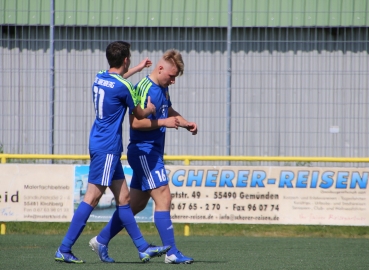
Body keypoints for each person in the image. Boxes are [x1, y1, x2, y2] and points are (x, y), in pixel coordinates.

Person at [54, 41, 170, 264]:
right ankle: (64, 248)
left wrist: (136, 68)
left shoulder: (100, 77)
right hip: (107, 147)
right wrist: (151, 109)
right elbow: (139, 113)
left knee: (124, 198)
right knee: (92, 197)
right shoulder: (123, 87)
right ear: (125, 59)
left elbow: (119, 81)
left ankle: (143, 248)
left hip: (100, 142)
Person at [91, 49, 197, 264]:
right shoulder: (145, 88)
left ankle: (101, 240)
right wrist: (163, 123)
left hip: (150, 152)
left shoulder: (161, 88)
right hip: (144, 152)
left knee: (135, 205)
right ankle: (172, 253)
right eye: (172, 76)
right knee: (164, 197)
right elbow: (136, 123)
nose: (173, 81)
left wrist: (184, 122)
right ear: (160, 69)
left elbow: (167, 111)